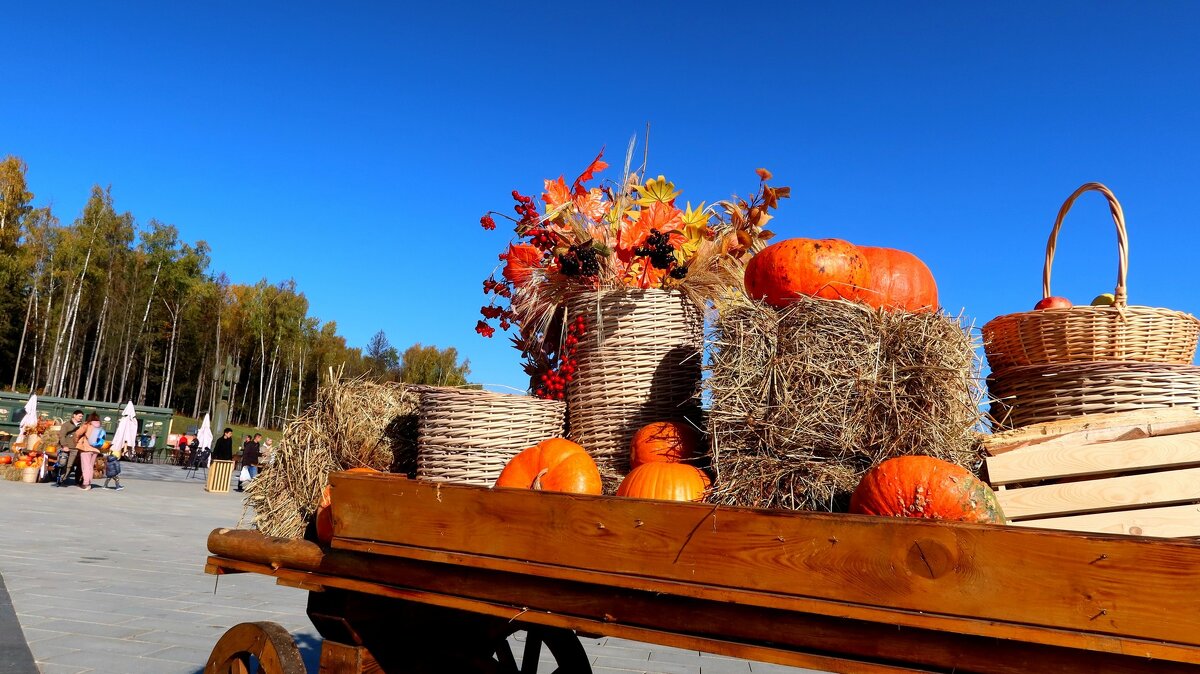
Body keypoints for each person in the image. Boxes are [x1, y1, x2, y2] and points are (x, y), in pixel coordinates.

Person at [56, 410, 85, 487]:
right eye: (79, 416)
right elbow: (62, 435)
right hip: (66, 447)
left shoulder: (82, 425)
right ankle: (61, 479)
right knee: (63, 464)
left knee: (70, 465)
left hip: (76, 448)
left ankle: (64, 479)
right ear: (74, 415)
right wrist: (64, 445)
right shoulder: (66, 425)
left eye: (82, 416)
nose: (81, 418)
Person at [77, 413, 104, 491]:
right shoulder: (99, 426)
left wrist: (76, 441)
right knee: (90, 466)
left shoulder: (87, 425)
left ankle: (86, 484)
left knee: (85, 466)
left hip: (86, 448)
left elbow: (78, 433)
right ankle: (89, 483)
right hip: (95, 449)